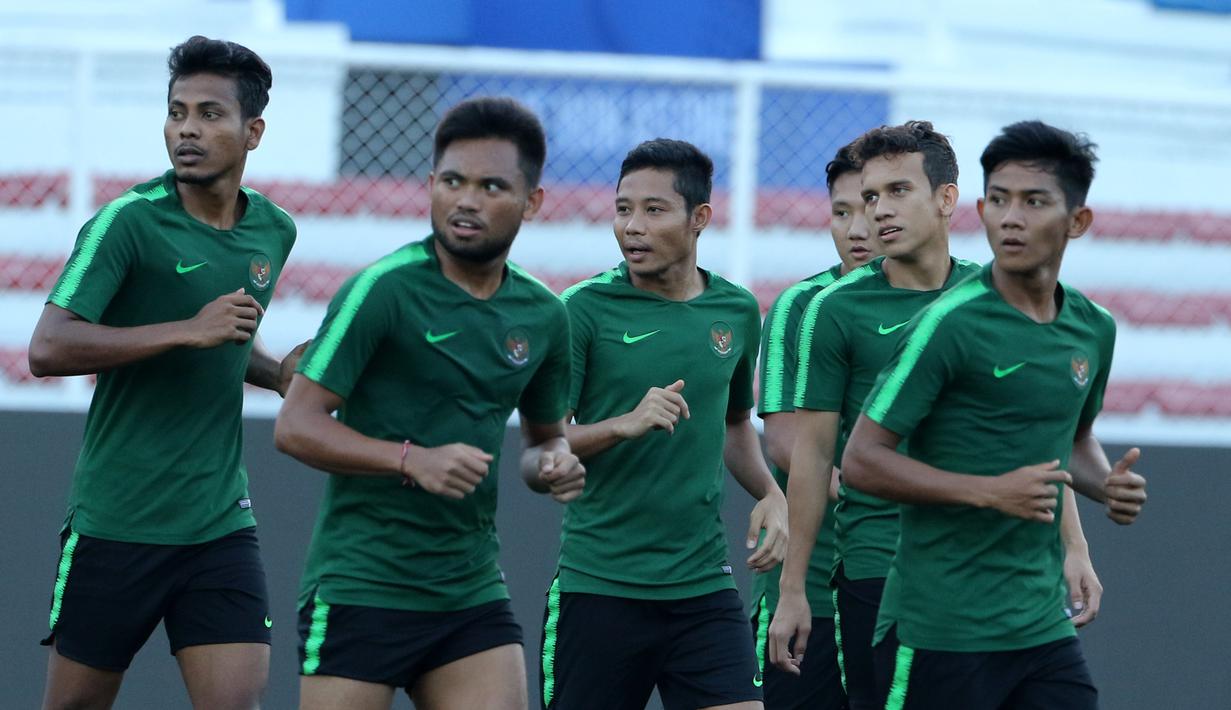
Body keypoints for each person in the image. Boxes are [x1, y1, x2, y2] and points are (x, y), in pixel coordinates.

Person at [274, 96, 583, 710]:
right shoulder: (381, 289)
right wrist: (412, 459)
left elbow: (544, 440)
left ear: (532, 202)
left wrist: (555, 465)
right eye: (452, 182)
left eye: (492, 186)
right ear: (431, 186)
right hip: (361, 583)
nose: (467, 200)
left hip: (467, 592)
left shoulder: (545, 315)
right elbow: (296, 425)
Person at [28, 35, 299, 710]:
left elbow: (224, 344)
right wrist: (185, 330)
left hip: (218, 523)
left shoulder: (274, 231)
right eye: (177, 111)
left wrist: (278, 376)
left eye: (210, 113)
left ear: (252, 131)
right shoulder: (127, 223)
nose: (187, 129)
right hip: (117, 521)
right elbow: (48, 349)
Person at [841, 120, 1147, 709]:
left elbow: (1074, 437)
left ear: (1077, 222)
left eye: (1034, 202)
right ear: (979, 210)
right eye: (1000, 201)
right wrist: (987, 492)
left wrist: (1105, 485)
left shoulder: (1093, 329)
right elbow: (861, 461)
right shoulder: (947, 325)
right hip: (937, 631)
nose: (1012, 218)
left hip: (1039, 627)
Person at [538, 138, 788, 710]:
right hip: (600, 586)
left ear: (699, 218)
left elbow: (733, 426)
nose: (633, 227)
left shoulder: (737, 310)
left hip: (703, 585)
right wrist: (623, 424)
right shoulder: (581, 309)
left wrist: (773, 493)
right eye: (624, 209)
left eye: (654, 211)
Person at [767, 121, 983, 710]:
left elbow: (1031, 437)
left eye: (895, 194)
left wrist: (1073, 548)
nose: (873, 217)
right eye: (866, 200)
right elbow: (802, 450)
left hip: (978, 568)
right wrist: (791, 588)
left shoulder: (988, 300)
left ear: (945, 199)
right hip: (869, 565)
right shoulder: (827, 307)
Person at [749, 140, 877, 710]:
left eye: (870, 208)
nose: (855, 228)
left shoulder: (958, 304)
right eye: (840, 212)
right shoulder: (800, 306)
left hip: (920, 591)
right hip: (812, 590)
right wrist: (879, 489)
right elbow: (782, 437)